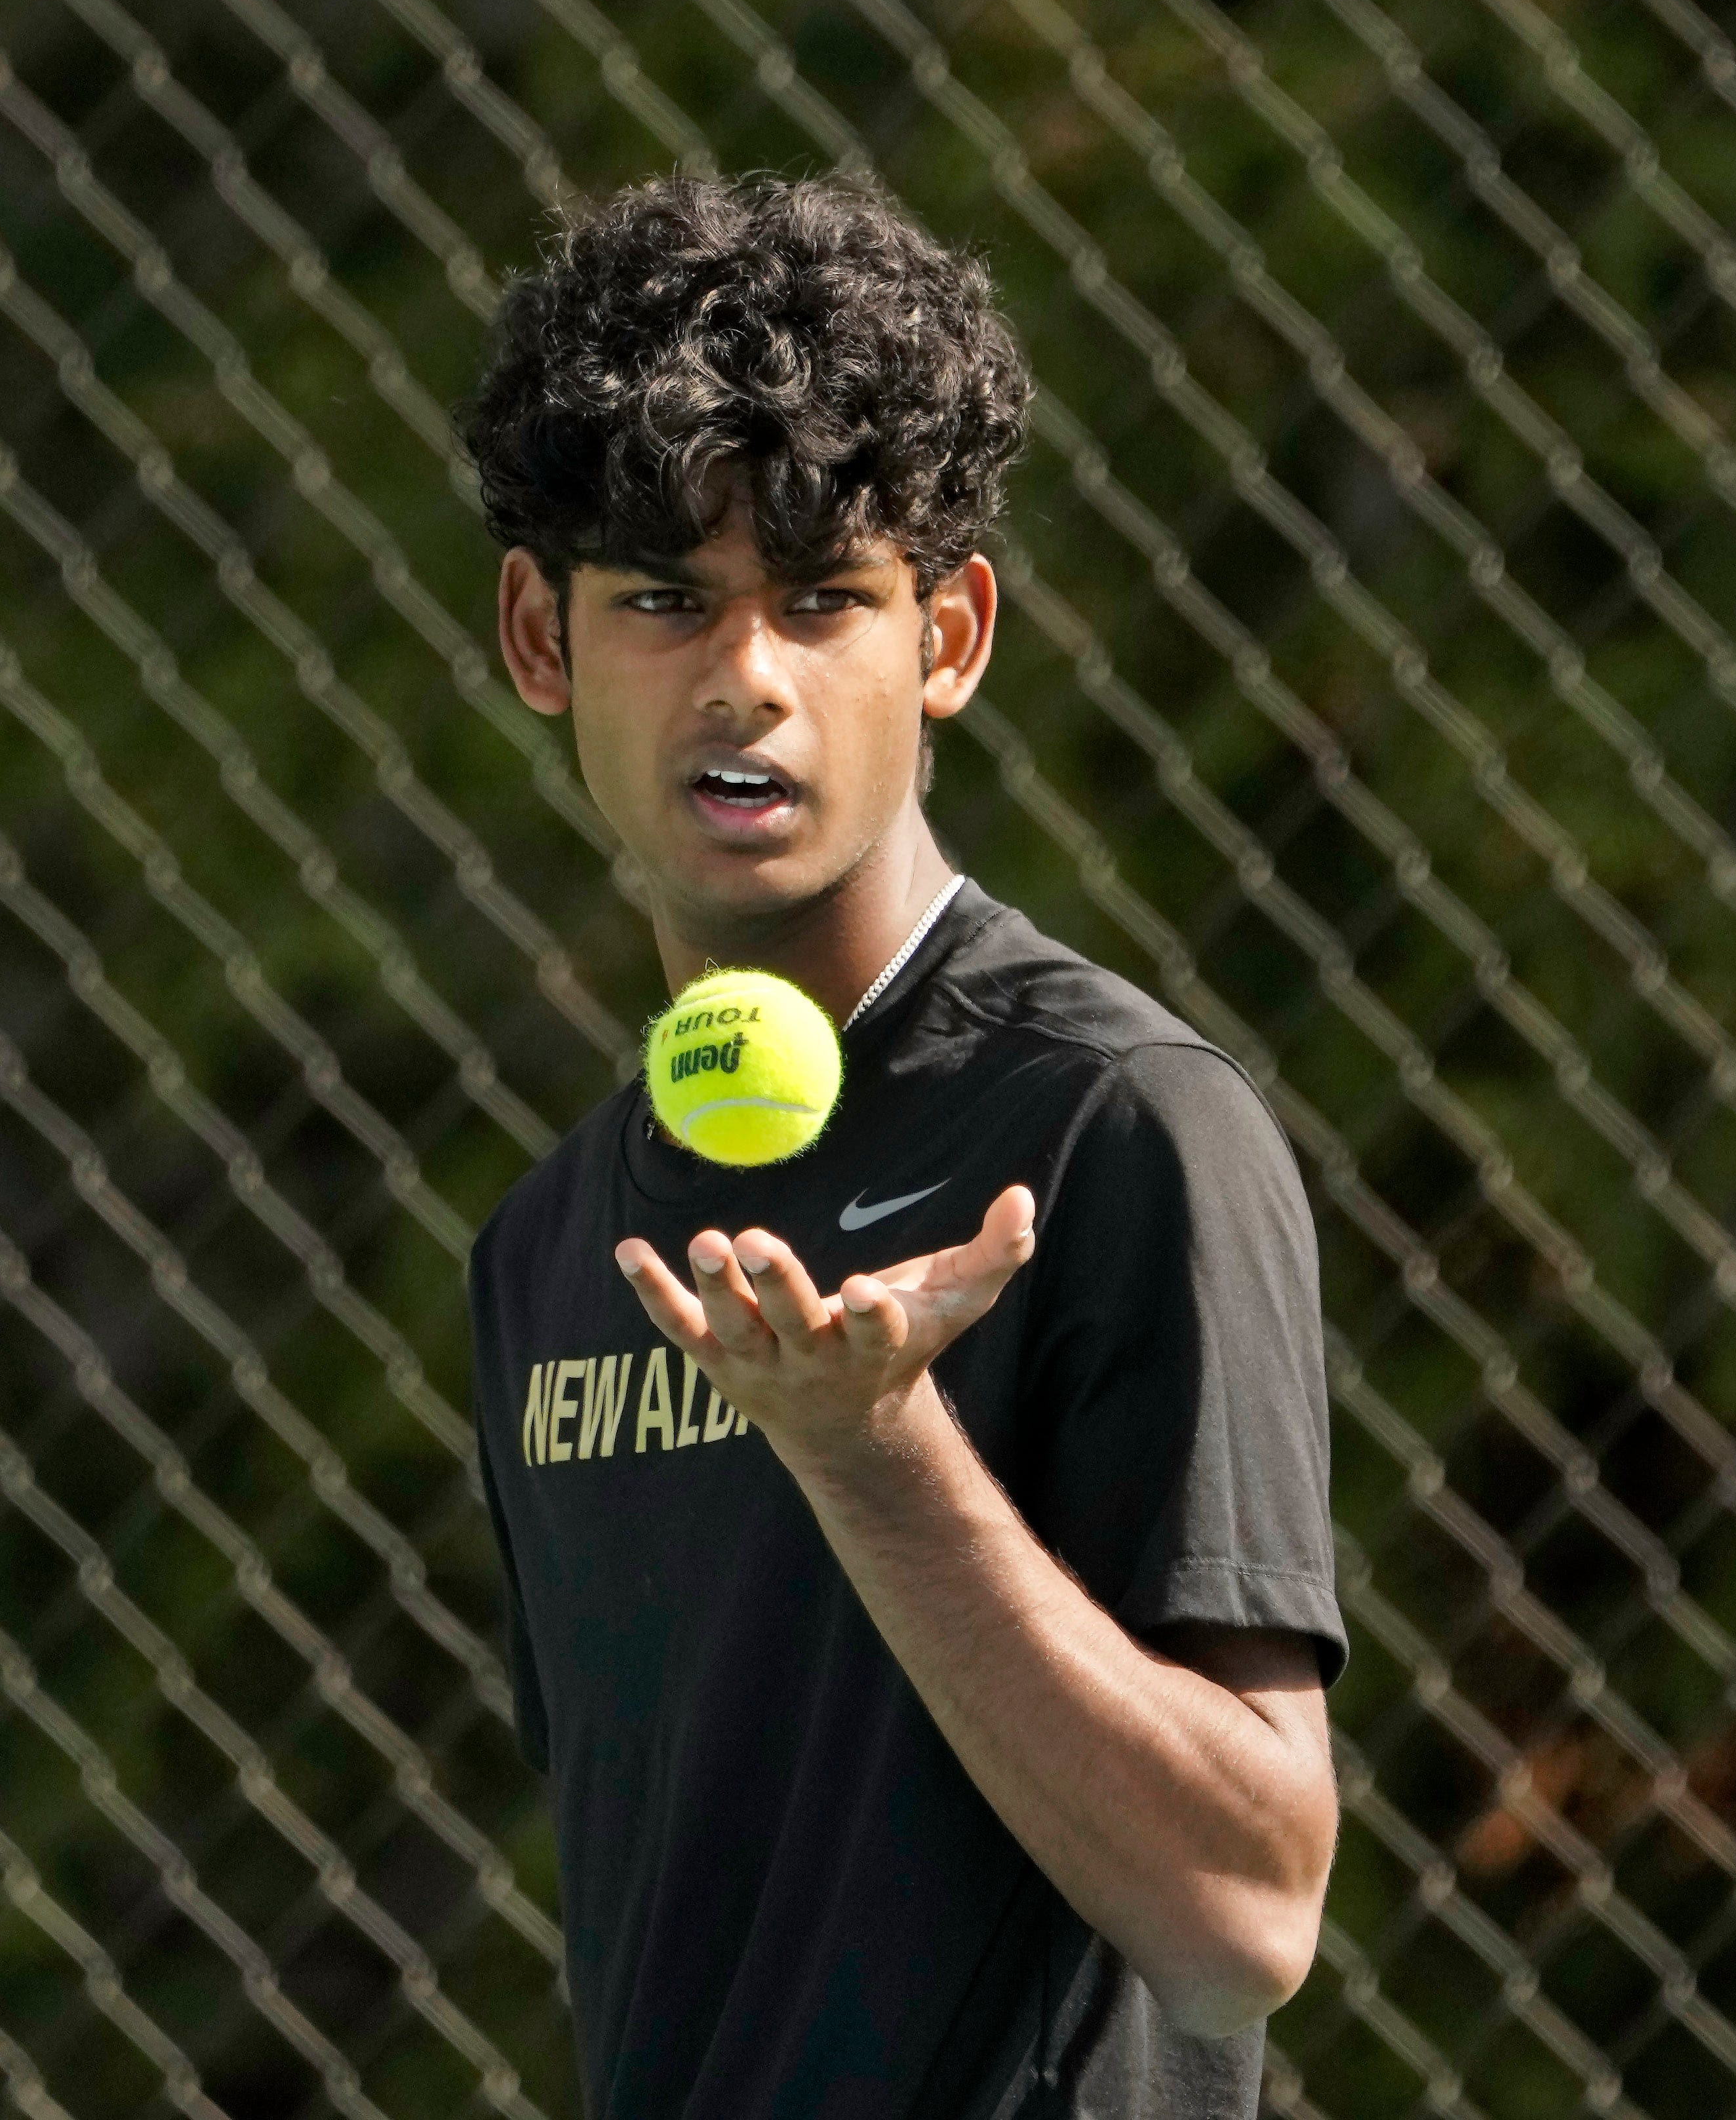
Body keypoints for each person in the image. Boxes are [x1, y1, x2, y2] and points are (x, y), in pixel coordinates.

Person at [458, 172, 1344, 2119]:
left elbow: (1246, 1911)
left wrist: (876, 1452)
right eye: (667, 599)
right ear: (543, 636)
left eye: (825, 600)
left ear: (947, 638)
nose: (746, 677)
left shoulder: (1119, 1132)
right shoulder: (545, 1250)